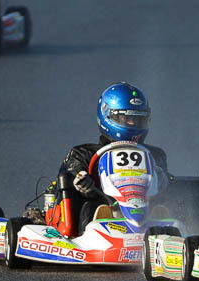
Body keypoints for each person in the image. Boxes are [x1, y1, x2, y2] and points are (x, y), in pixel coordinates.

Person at [57, 82, 170, 234]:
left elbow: (167, 187)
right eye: (126, 119)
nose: (133, 124)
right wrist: (81, 180)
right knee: (92, 206)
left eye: (138, 120)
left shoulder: (155, 154)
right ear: (107, 115)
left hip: (144, 212)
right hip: (104, 207)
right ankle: (90, 239)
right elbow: (70, 171)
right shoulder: (84, 153)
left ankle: (162, 236)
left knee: (162, 207)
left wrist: (163, 179)